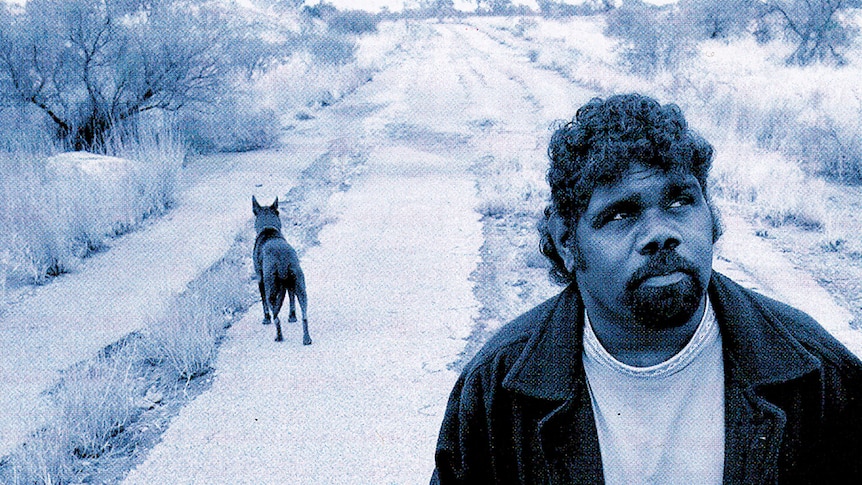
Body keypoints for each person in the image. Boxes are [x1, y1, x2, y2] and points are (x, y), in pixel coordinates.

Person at [431, 93, 862, 484]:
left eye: (679, 201)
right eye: (621, 214)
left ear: (710, 217)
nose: (660, 233)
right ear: (566, 241)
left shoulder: (815, 375)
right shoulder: (501, 390)